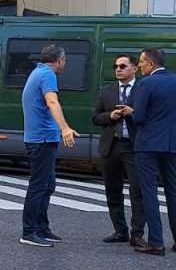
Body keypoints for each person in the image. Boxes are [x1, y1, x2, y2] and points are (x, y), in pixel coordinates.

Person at [19, 44, 79, 247]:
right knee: (39, 186)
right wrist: (65, 128)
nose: (65, 63)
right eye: (65, 60)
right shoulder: (48, 75)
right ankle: (29, 232)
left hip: (43, 138)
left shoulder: (38, 72)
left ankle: (42, 228)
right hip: (41, 140)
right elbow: (52, 102)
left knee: (48, 185)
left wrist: (62, 129)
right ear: (59, 60)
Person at [92, 54, 146, 247]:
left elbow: (152, 116)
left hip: (134, 146)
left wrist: (133, 113)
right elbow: (95, 117)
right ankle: (120, 230)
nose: (118, 69)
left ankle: (137, 233)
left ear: (134, 68)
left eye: (123, 66)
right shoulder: (107, 91)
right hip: (111, 145)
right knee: (112, 190)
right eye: (116, 66)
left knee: (137, 190)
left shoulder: (143, 89)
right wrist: (110, 115)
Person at [129, 47, 176, 256]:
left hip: (148, 144)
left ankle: (156, 242)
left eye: (141, 62)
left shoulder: (145, 83)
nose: (139, 65)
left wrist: (131, 111)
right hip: (172, 144)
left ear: (150, 64)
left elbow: (139, 118)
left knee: (149, 193)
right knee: (173, 193)